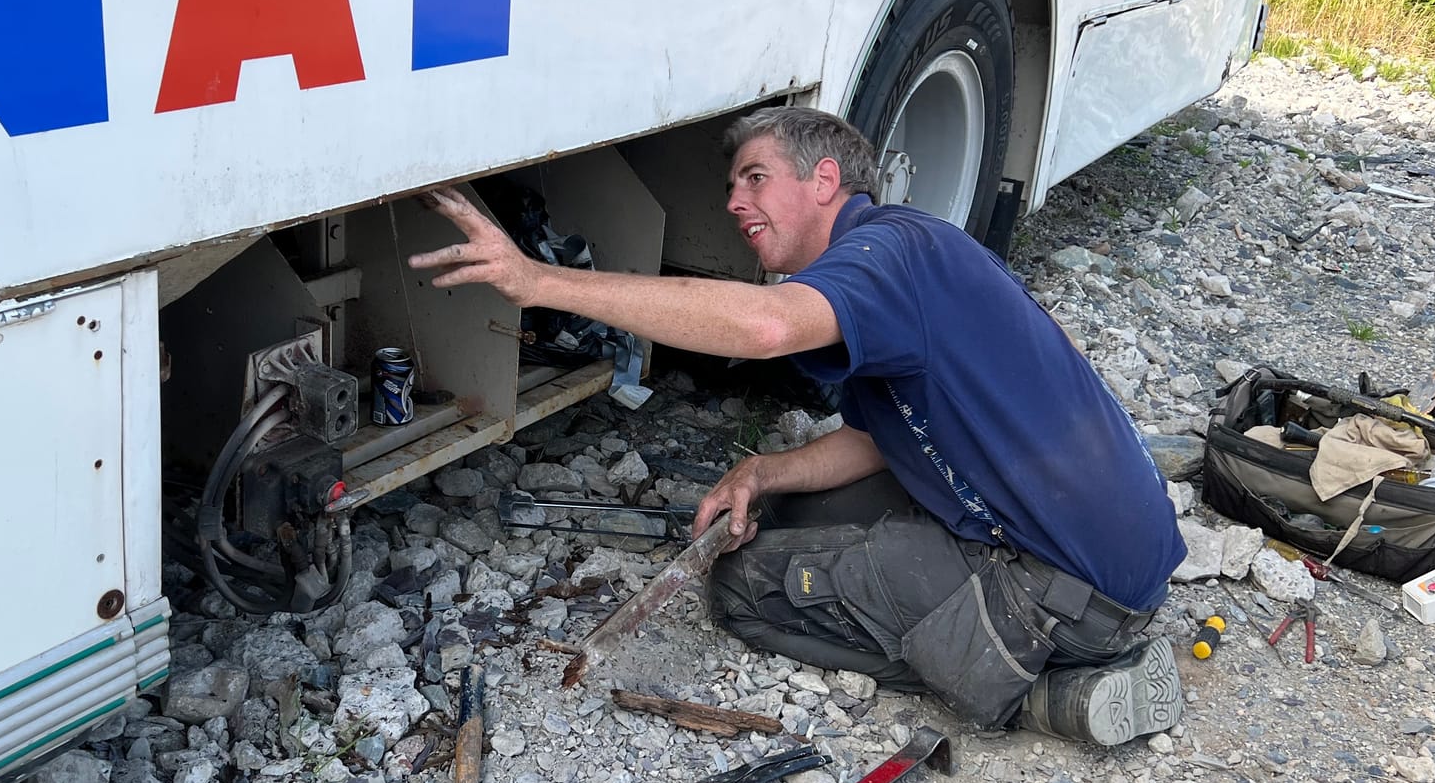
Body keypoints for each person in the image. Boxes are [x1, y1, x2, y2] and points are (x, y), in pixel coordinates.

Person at [406, 107, 1187, 744]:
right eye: (732, 185)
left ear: (825, 180)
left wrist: (539, 280)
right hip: (1102, 551)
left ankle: (1048, 694)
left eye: (754, 178)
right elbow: (887, 437)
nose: (733, 203)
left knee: (744, 585)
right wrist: (763, 472)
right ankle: (1010, 639)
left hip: (1071, 592)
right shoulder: (909, 251)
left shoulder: (883, 255)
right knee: (776, 515)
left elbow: (767, 328)